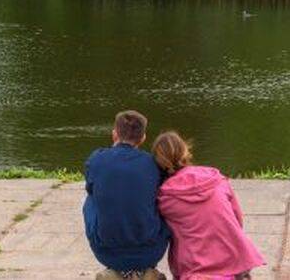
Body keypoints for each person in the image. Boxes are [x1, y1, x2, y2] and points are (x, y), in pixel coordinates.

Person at [152, 131, 265, 280]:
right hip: (232, 260)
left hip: (195, 268)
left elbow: (161, 234)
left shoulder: (165, 198)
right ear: (185, 150)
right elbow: (237, 220)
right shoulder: (216, 179)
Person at [82, 110, 171, 280]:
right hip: (151, 252)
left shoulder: (97, 159)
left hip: (106, 253)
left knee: (90, 199)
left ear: (114, 134)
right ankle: (146, 272)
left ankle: (116, 272)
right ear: (143, 137)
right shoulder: (152, 163)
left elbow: (91, 188)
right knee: (160, 200)